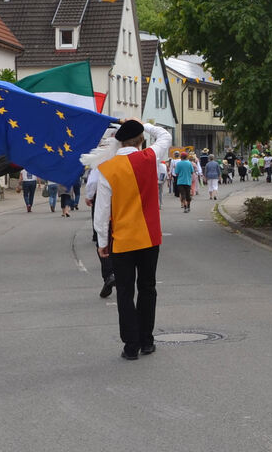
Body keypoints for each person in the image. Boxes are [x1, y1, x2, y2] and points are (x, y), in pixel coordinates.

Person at [87, 118, 171, 360]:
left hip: (121, 240)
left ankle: (131, 346)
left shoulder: (107, 169)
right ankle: (147, 340)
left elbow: (102, 212)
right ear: (141, 139)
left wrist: (102, 242)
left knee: (125, 292)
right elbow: (164, 135)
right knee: (148, 288)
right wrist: (145, 124)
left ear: (119, 141)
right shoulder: (150, 157)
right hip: (149, 237)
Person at [85, 166, 116, 297]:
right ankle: (116, 274)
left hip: (103, 196)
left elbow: (93, 180)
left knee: (102, 236)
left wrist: (89, 195)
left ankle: (109, 275)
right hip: (122, 198)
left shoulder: (101, 160)